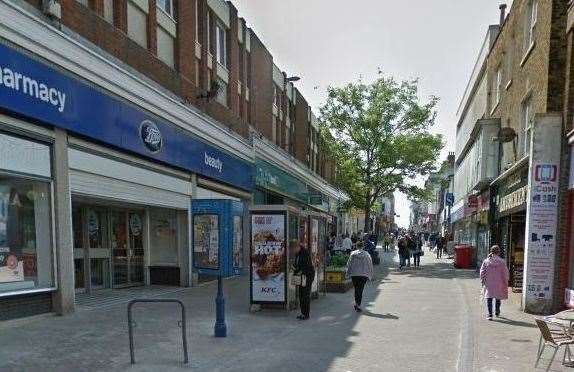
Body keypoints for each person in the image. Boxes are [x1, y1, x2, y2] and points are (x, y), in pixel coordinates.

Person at [479, 245, 509, 320]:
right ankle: (497, 311)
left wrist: (482, 280)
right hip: (499, 282)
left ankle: (490, 315)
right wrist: (506, 281)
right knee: (498, 297)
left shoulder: (486, 261)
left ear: (491, 251)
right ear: (498, 252)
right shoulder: (502, 262)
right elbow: (505, 273)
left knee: (489, 298)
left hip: (489, 283)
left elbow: (482, 272)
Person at [346, 241, 374, 312]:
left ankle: (357, 303)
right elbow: (370, 264)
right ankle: (358, 304)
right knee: (360, 289)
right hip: (363, 274)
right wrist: (370, 274)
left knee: (356, 289)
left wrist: (347, 273)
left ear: (356, 246)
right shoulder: (367, 254)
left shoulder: (352, 254)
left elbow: (349, 264)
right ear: (363, 246)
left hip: (354, 274)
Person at [292, 240, 315, 320]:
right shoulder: (297, 253)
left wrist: (299, 272)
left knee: (305, 295)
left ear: (298, 246)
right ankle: (302, 313)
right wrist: (294, 268)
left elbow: (307, 266)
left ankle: (306, 314)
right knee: (301, 294)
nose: (293, 250)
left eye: (294, 248)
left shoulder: (305, 253)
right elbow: (297, 264)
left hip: (307, 276)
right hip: (301, 276)